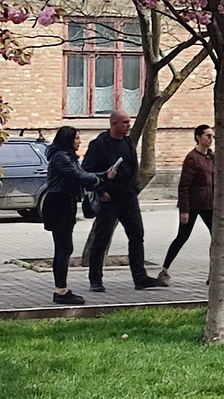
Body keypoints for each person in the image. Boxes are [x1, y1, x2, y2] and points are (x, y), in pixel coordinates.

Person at [82, 110, 168, 291]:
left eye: (129, 122)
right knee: (101, 239)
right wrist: (100, 191)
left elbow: (133, 167)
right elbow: (87, 172)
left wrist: (134, 188)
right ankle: (95, 280)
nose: (129, 126)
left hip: (128, 198)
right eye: (125, 122)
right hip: (109, 199)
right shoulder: (99, 145)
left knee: (137, 235)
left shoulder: (128, 142)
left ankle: (140, 278)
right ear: (113, 123)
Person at [42, 127, 116, 305]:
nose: (79, 141)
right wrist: (102, 177)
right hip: (58, 203)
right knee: (64, 248)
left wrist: (104, 175)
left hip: (64, 202)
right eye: (76, 138)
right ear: (68, 140)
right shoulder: (61, 157)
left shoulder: (66, 156)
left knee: (63, 248)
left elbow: (82, 174)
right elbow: (78, 176)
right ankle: (61, 292)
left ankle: (61, 289)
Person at [156, 124, 215, 284]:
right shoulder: (192, 158)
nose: (211, 139)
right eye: (207, 136)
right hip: (194, 205)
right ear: (198, 137)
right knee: (182, 236)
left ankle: (214, 272)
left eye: (212, 136)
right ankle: (164, 270)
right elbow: (184, 186)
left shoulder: (211, 157)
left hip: (209, 206)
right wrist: (184, 210)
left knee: (216, 237)